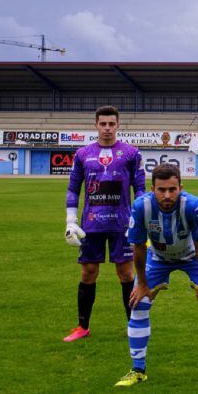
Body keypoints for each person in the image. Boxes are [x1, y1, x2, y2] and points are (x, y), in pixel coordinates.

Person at [116, 164, 198, 387]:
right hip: (157, 257)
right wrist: (143, 284)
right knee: (138, 304)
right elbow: (138, 248)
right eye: (161, 189)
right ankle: (138, 370)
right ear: (152, 189)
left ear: (180, 187)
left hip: (193, 256)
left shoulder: (193, 206)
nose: (167, 195)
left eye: (172, 189)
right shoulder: (140, 207)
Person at [63, 105, 145, 342]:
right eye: (103, 124)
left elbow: (140, 188)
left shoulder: (131, 153)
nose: (107, 128)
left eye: (111, 124)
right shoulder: (82, 154)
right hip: (91, 224)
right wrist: (71, 220)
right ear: (96, 125)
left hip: (122, 224)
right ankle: (82, 327)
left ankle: (133, 326)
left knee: (126, 273)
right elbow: (73, 188)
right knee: (88, 273)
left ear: (118, 125)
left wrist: (137, 219)